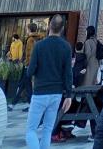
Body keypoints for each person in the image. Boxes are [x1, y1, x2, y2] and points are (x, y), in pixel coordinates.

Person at [25, 13, 72, 149]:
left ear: (49, 26)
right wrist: (68, 95)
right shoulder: (66, 47)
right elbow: (68, 73)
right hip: (56, 93)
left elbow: (30, 71)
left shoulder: (39, 46)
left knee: (31, 130)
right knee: (47, 129)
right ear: (62, 28)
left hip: (40, 91)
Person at [12, 23, 44, 107]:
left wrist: (27, 63)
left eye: (27, 29)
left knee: (25, 83)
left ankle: (14, 103)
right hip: (34, 64)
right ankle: (27, 103)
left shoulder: (30, 40)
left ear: (29, 29)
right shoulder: (38, 38)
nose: (26, 30)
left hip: (28, 65)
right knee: (26, 83)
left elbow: (30, 53)